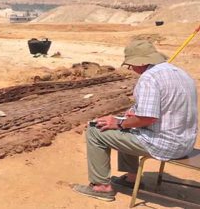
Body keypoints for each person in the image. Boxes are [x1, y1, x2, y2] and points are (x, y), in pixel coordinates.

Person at [73, 40, 198, 202]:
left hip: (166, 144)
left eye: (131, 65)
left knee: (95, 130)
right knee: (127, 124)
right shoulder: (181, 73)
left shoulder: (149, 78)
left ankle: (101, 187)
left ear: (141, 62)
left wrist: (118, 123)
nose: (131, 68)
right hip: (185, 143)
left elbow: (147, 118)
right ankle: (131, 180)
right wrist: (127, 118)